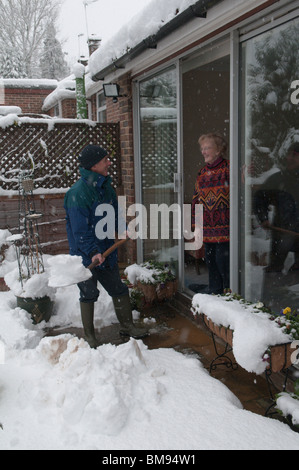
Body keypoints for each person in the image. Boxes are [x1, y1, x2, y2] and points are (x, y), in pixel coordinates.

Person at [64, 144, 148, 348]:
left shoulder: (106, 188)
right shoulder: (77, 193)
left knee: (119, 289)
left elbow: (115, 215)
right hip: (85, 256)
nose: (109, 162)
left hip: (107, 252)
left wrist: (123, 229)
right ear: (94, 165)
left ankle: (127, 326)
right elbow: (80, 232)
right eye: (105, 160)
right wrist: (93, 252)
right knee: (89, 294)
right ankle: (90, 335)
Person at [191, 133, 230, 294]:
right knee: (210, 261)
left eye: (207, 148)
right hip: (208, 230)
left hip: (225, 230)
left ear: (219, 150)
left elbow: (242, 194)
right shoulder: (201, 174)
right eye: (202, 148)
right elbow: (196, 201)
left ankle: (229, 293)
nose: (203, 152)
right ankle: (214, 290)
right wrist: (196, 226)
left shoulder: (229, 168)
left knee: (224, 262)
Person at [254, 142, 299, 273]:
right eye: (289, 155)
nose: (289, 158)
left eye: (294, 155)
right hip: (282, 232)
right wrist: (263, 218)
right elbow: (259, 198)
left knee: (296, 275)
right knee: (274, 270)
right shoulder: (279, 179)